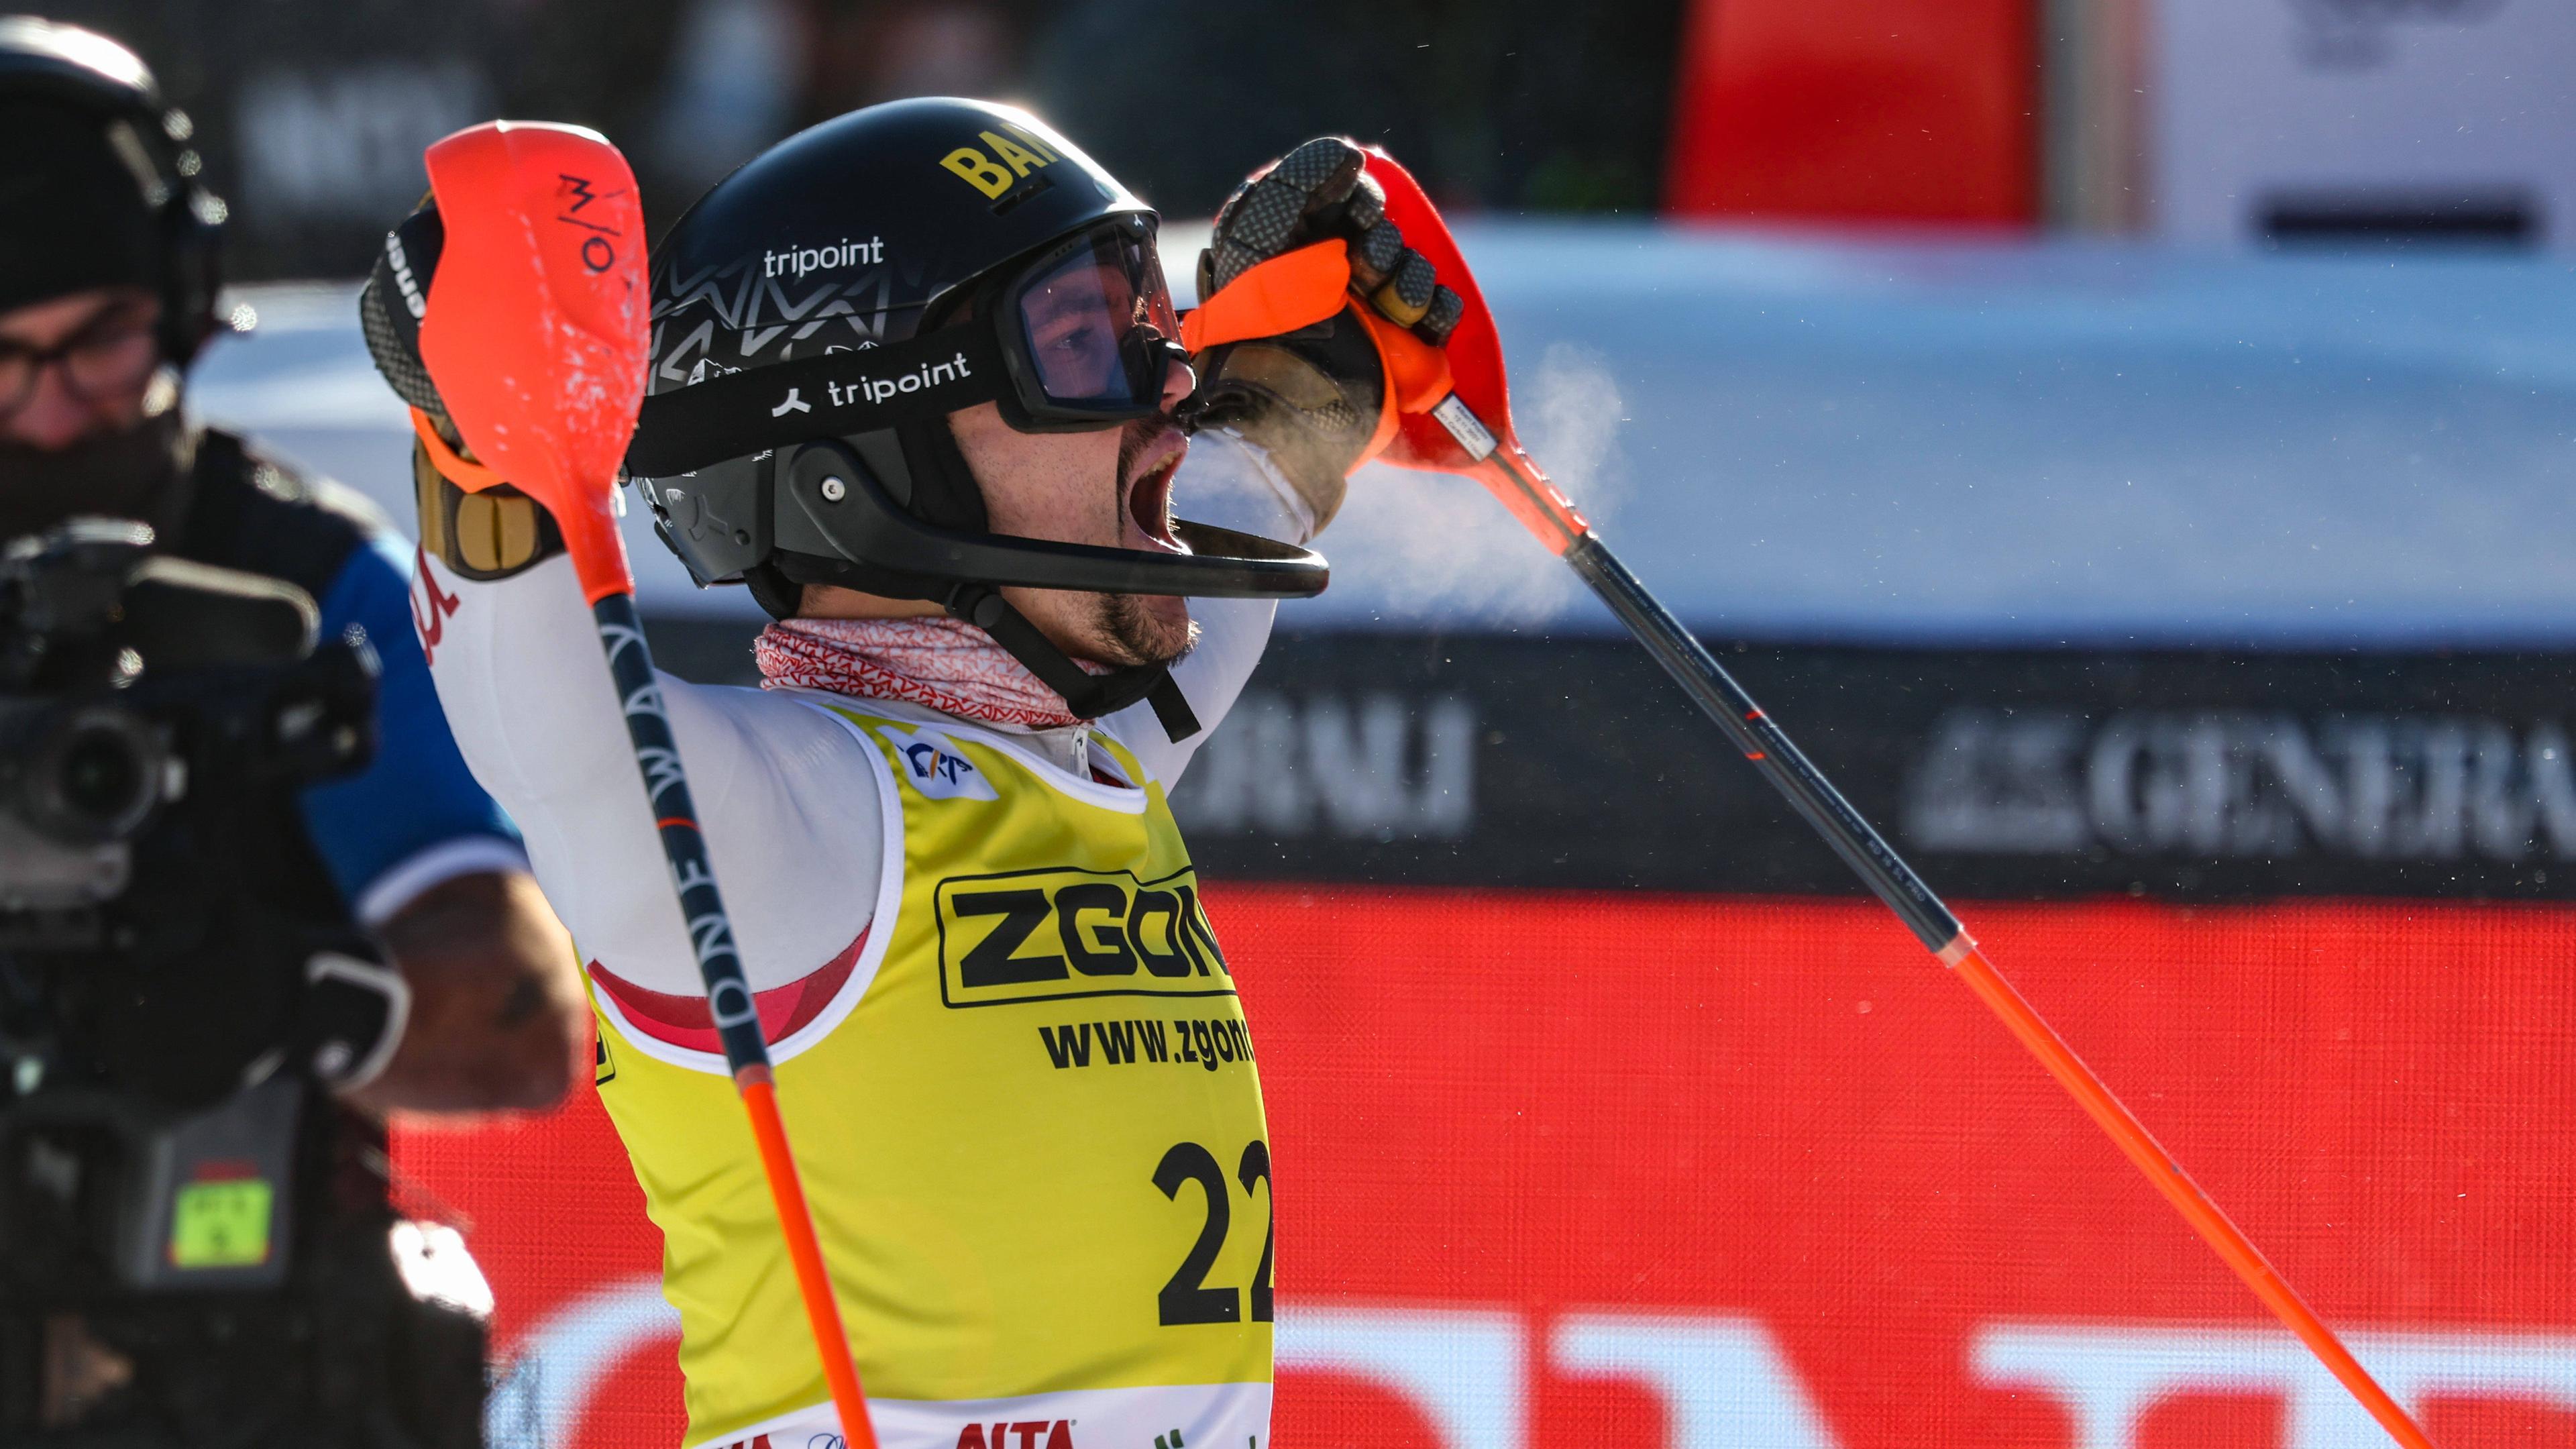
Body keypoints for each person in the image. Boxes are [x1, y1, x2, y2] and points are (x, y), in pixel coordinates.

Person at [368, 97, 1462, 1448]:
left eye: (1148, 327)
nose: (1171, 389)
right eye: (1083, 343)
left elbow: (1261, 468)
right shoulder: (789, 830)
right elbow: (547, 732)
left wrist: (1320, 349)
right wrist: (474, 444)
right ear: (877, 451)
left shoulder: (1084, 747)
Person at [0, 14, 585, 1114]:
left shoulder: (315, 591)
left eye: (101, 341)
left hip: (233, 1252)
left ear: (183, 299)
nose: (56, 413)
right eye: (2, 361)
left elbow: (527, 1023)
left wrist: (294, 1003)